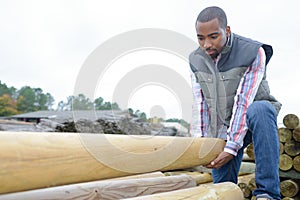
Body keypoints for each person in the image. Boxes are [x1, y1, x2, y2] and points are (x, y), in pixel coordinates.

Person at [189, 6, 282, 200]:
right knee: (223, 189)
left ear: (227, 31)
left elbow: (243, 101)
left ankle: (267, 193)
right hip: (225, 126)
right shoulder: (195, 60)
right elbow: (201, 105)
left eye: (213, 36)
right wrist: (203, 145)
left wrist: (232, 148)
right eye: (201, 38)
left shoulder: (253, 52)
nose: (206, 44)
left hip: (254, 121)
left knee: (261, 109)